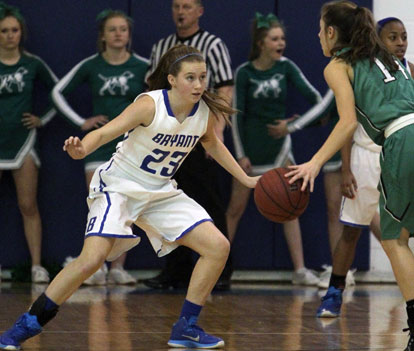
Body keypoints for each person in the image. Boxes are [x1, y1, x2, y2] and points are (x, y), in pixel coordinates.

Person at [0, 44, 259, 350]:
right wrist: (82, 147)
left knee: (217, 247)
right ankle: (27, 324)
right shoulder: (150, 105)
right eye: (191, 77)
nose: (199, 84)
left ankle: (186, 327)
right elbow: (106, 132)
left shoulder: (202, 112)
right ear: (173, 80)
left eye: (203, 77)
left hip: (160, 191)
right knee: (92, 260)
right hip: (119, 186)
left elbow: (213, 145)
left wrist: (245, 179)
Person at [285, 2, 414, 349]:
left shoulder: (338, 65)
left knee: (394, 240)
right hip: (400, 139)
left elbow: (346, 122)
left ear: (331, 33)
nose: (317, 35)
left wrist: (314, 163)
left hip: (400, 142)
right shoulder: (393, 60)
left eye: (319, 28)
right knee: (391, 234)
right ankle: (337, 292)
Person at [316, 16, 414, 317]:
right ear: (375, 40)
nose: (399, 43)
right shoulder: (357, 67)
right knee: (353, 229)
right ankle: (335, 289)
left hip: (396, 148)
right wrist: (345, 168)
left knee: (393, 235)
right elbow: (347, 123)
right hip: (365, 156)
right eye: (392, 37)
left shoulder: (404, 70)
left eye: (403, 37)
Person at [52, 9, 149, 285]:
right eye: (113, 29)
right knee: (100, 204)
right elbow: (57, 92)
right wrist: (81, 122)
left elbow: (160, 101)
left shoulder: (143, 66)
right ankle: (96, 266)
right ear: (103, 36)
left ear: (129, 35)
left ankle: (118, 268)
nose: (119, 34)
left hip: (131, 148)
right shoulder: (91, 65)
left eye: (123, 29)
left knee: (127, 207)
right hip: (97, 146)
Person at [143, 0, 234, 291]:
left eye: (187, 6)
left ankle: (220, 271)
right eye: (176, 6)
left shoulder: (213, 44)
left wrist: (216, 130)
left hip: (198, 136)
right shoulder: (162, 46)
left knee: (208, 202)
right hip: (167, 137)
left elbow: (225, 88)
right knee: (167, 201)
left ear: (199, 11)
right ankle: (175, 271)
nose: (181, 12)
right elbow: (151, 90)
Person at [226, 12, 322, 285]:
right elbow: (236, 115)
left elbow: (317, 100)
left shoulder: (287, 67)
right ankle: (217, 268)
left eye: (283, 38)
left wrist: (293, 125)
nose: (281, 43)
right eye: (275, 38)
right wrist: (240, 154)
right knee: (235, 209)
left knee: (290, 207)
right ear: (261, 42)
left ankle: (300, 270)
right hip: (250, 150)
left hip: (281, 149)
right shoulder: (244, 72)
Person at [0, 2, 57, 283]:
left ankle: (36, 265)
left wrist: (41, 119)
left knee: (28, 204)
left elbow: (58, 93)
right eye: (4, 31)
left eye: (14, 30)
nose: (10, 35)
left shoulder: (32, 63)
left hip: (24, 142)